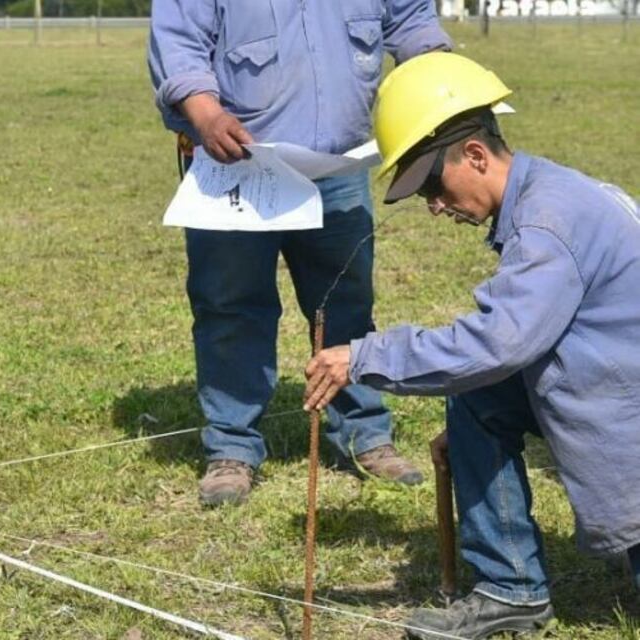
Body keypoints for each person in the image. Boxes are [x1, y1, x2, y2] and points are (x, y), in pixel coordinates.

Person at [303, 52, 640, 638]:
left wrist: (362, 356)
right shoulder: (554, 189)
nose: (434, 206)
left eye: (432, 184)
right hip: (612, 382)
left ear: (477, 155)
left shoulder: (545, 227)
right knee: (476, 401)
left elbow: (496, 344)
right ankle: (510, 590)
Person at [148, 1, 453, 506]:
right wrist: (204, 113)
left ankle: (365, 435)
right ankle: (232, 448)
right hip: (236, 164)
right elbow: (178, 41)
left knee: (347, 305)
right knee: (230, 307)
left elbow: (411, 20)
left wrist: (438, 68)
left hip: (340, 165)